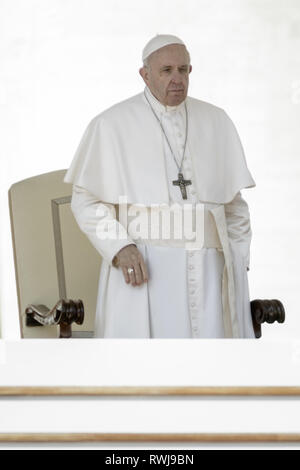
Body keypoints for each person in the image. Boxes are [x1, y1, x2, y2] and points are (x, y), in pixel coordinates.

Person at [64, 34, 256, 339]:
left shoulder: (216, 121)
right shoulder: (111, 124)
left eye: (184, 69)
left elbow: (234, 206)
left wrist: (237, 260)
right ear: (145, 74)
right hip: (144, 269)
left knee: (212, 369)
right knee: (146, 370)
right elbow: (85, 200)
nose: (177, 78)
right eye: (166, 70)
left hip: (209, 271)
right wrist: (120, 247)